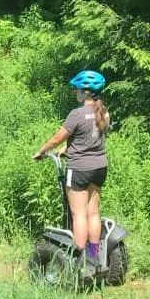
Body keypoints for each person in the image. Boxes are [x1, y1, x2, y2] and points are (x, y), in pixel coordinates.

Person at [33, 70, 110, 274]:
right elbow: (92, 138)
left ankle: (78, 263)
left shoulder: (76, 114)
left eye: (76, 89)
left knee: (79, 216)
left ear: (85, 92)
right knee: (93, 213)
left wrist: (41, 151)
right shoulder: (104, 112)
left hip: (79, 170)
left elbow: (57, 137)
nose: (75, 92)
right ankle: (93, 258)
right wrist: (67, 149)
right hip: (100, 167)